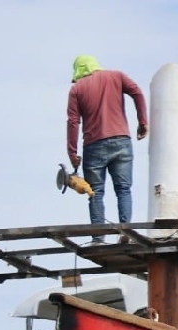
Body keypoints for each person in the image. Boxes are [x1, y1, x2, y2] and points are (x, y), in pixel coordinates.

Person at [66, 55, 149, 244]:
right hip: (121, 140)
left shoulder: (76, 89)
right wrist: (142, 122)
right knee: (124, 190)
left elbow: (73, 121)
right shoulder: (117, 76)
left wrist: (72, 152)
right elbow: (137, 92)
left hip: (94, 146)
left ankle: (97, 238)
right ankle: (126, 232)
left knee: (95, 191)